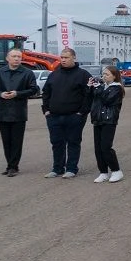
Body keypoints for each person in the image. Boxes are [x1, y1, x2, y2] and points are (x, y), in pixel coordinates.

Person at [42, 48, 92, 178]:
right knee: (56, 143)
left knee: (73, 142)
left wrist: (82, 112)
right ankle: (57, 168)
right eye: (62, 57)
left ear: (74, 58)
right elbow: (46, 93)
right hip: (54, 116)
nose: (63, 60)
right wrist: (46, 110)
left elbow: (89, 95)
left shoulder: (83, 75)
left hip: (74, 116)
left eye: (66, 57)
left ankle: (71, 168)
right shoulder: (54, 75)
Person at [0, 49, 37, 177]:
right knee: (6, 141)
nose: (16, 59)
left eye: (19, 57)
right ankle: (9, 165)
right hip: (3, 112)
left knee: (16, 141)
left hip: (19, 112)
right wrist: (0, 94)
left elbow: (33, 89)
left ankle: (13, 166)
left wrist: (17, 93)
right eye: (14, 56)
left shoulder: (27, 73)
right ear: (7, 58)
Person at [89, 66, 125, 183]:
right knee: (98, 148)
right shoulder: (102, 86)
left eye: (107, 74)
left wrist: (98, 88)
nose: (104, 76)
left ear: (114, 76)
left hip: (109, 120)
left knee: (106, 147)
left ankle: (116, 171)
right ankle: (103, 172)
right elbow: (91, 98)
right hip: (97, 119)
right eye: (103, 74)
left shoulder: (117, 88)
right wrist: (89, 87)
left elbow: (107, 100)